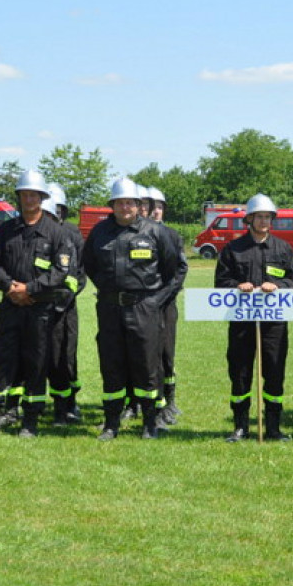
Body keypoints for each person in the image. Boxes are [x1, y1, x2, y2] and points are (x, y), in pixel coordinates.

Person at [0, 171, 74, 439]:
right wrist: (9, 287)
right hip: (10, 307)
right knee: (2, 361)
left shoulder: (56, 233)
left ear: (42, 198)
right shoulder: (7, 230)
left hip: (41, 310)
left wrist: (30, 289)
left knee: (36, 364)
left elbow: (60, 271)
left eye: (34, 195)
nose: (29, 199)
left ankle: (30, 422)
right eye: (24, 195)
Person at [84, 178, 185, 440]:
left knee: (147, 365)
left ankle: (150, 423)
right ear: (112, 205)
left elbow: (172, 270)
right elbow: (90, 265)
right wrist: (108, 289)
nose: (125, 207)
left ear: (139, 205)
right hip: (110, 309)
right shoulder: (100, 232)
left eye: (130, 202)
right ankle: (111, 424)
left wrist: (155, 300)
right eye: (120, 202)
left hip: (144, 308)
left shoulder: (155, 232)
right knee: (111, 364)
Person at [215, 193, 293, 441]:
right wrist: (237, 285)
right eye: (259, 216)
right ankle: (240, 426)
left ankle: (273, 427)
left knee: (274, 373)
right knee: (240, 373)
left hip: (274, 324)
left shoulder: (283, 248)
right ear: (249, 219)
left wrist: (279, 285)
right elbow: (221, 282)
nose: (264, 221)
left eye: (268, 217)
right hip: (242, 322)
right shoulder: (233, 249)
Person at [44, 182, 87, 427]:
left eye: (59, 209)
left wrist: (66, 296)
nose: (56, 213)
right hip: (37, 305)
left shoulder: (72, 233)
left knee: (65, 356)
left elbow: (80, 273)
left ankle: (69, 403)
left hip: (65, 308)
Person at [147, 186, 188, 428]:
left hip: (165, 305)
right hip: (141, 307)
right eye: (151, 206)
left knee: (165, 354)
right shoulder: (136, 234)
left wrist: (162, 297)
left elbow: (180, 270)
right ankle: (135, 404)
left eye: (160, 207)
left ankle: (168, 401)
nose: (155, 211)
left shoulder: (171, 235)